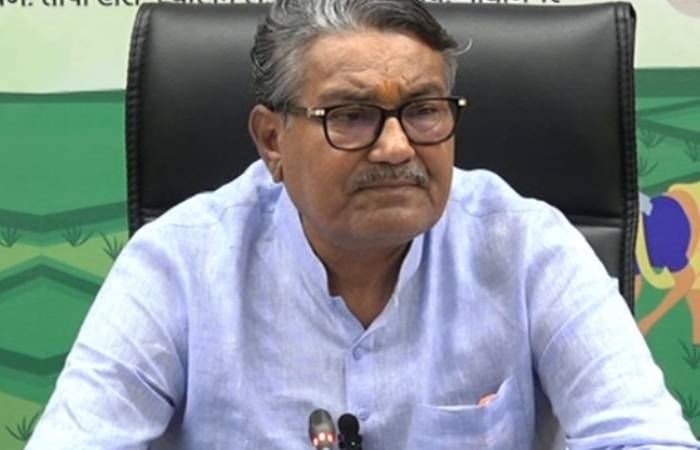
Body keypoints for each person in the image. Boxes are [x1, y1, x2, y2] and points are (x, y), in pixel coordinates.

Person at [27, 1, 700, 449]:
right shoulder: (177, 263)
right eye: (351, 117)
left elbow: (645, 437)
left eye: (425, 110)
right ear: (272, 140)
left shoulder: (529, 248)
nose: (397, 147)